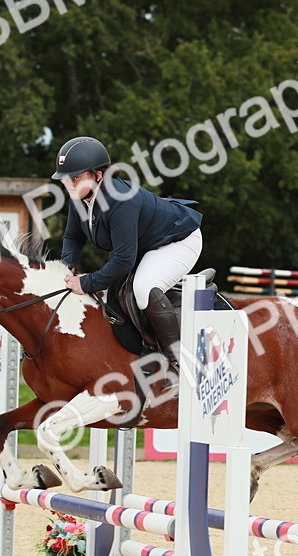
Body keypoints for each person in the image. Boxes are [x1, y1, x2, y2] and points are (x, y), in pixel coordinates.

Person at [54, 136, 203, 376]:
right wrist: (64, 268)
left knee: (143, 288)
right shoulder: (80, 199)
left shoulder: (121, 201)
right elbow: (73, 237)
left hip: (179, 240)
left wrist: (86, 282)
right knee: (114, 293)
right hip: (147, 246)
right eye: (65, 179)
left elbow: (123, 260)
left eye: (76, 177)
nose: (69, 184)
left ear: (99, 175)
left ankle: (179, 362)